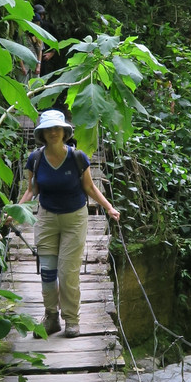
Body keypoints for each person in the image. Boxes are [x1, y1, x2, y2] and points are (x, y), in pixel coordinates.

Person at [19, 110, 120, 337]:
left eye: (57, 128)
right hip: (46, 218)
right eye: (48, 129)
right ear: (42, 134)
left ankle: (72, 319)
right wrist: (14, 212)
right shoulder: (34, 159)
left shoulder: (78, 157)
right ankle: (51, 317)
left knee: (67, 274)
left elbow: (90, 188)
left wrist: (108, 207)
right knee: (47, 273)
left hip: (74, 218)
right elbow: (32, 190)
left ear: (64, 132)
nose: (53, 133)